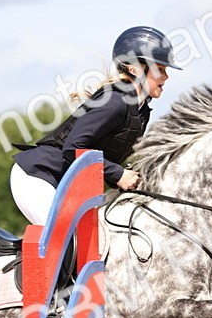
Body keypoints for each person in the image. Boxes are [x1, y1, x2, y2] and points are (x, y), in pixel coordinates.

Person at [9, 26, 181, 226]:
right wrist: (118, 174)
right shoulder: (115, 102)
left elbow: (103, 158)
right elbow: (73, 148)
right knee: (68, 237)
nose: (166, 76)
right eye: (160, 69)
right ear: (135, 69)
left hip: (66, 185)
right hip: (38, 176)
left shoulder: (141, 112)